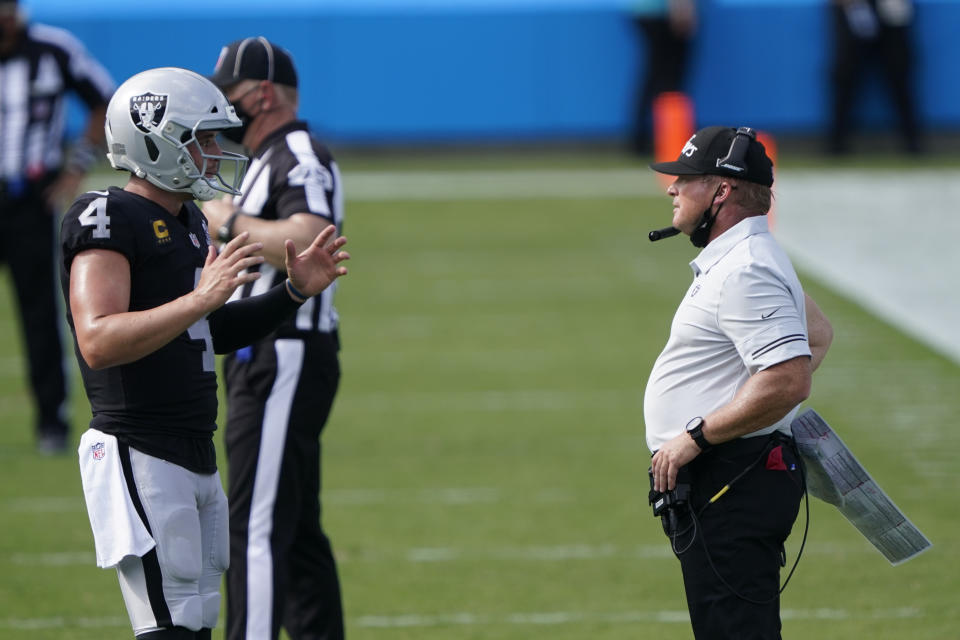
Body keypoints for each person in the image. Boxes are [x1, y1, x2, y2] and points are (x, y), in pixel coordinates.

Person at [60, 67, 349, 640]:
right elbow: (98, 340)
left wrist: (291, 293)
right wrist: (199, 300)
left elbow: (209, 330)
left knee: (197, 622)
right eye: (203, 138)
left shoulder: (190, 221)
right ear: (154, 138)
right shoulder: (105, 214)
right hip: (137, 444)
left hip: (192, 446)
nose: (216, 151)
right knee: (171, 625)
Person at [644, 126, 833, 639]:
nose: (672, 188)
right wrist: (744, 405)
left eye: (687, 178)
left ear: (722, 191)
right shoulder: (744, 259)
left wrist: (698, 435)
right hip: (736, 472)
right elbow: (816, 335)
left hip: (731, 477)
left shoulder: (746, 268)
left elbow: (790, 378)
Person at [203, 37, 346, 640]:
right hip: (264, 349)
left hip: (283, 349)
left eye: (229, 95)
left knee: (254, 525)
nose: (222, 110)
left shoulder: (297, 152)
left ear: (262, 93)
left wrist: (225, 216)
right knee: (294, 527)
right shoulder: (263, 156)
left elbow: (308, 233)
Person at [0, 0, 114, 454]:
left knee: (41, 314)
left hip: (31, 198)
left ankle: (52, 422)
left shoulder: (52, 50)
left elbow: (104, 101)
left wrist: (76, 168)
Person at [828, 0, 922, 154]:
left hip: (892, 10)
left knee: (899, 76)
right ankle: (836, 144)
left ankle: (913, 143)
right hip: (854, 8)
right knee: (846, 78)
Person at [629, 0, 697, 155]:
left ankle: (642, 141)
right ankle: (668, 142)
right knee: (668, 80)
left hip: (646, 9)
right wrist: (681, 7)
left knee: (654, 77)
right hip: (664, 13)